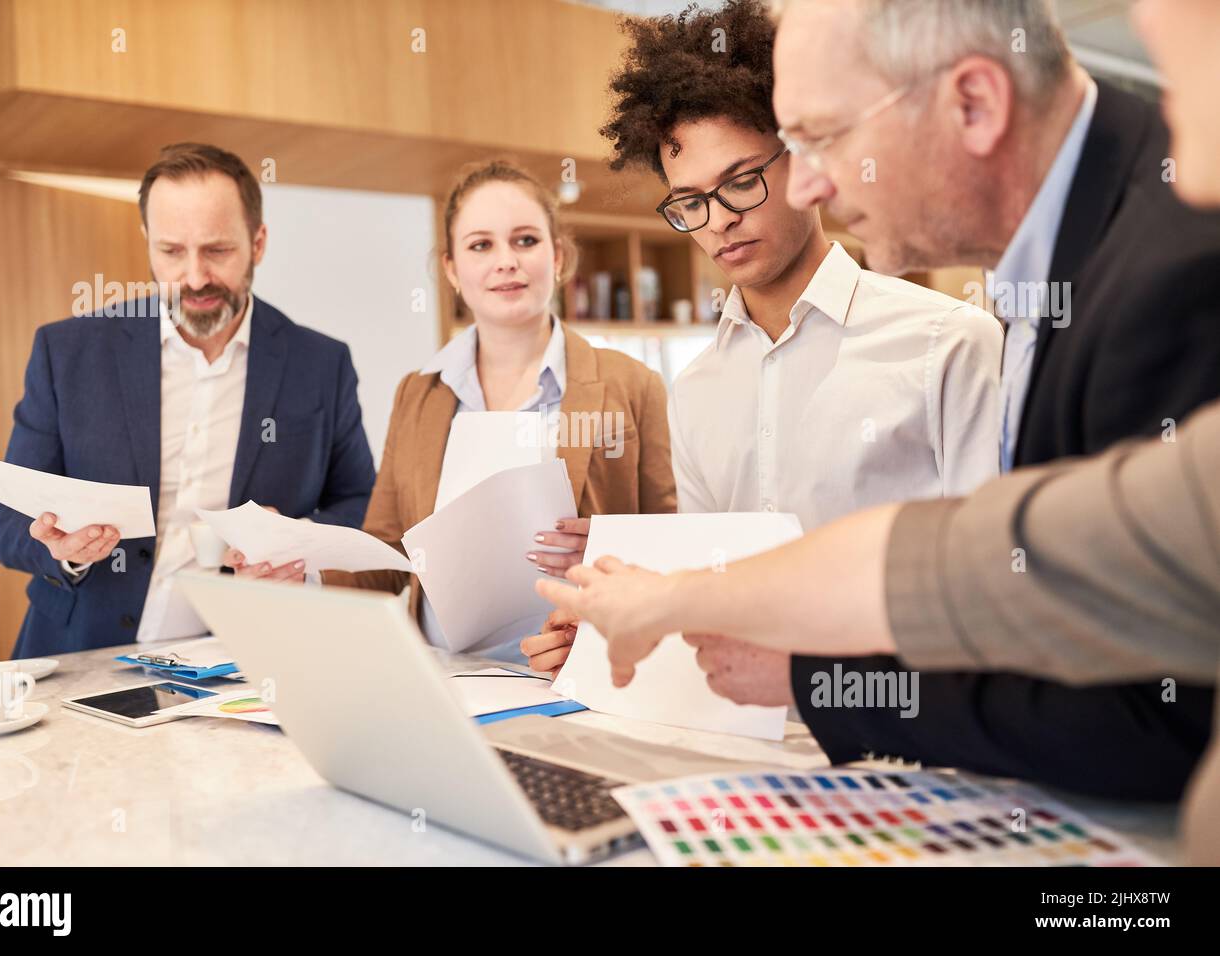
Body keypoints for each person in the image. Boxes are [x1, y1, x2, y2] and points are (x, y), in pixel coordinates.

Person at [537, 0, 1220, 863]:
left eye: (820, 140)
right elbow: (970, 558)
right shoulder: (1045, 274)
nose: (813, 185)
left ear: (973, 105)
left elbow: (1135, 702)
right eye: (690, 203)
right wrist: (650, 612)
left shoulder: (1168, 262)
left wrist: (815, 677)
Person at [522, 0, 1001, 676]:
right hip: (740, 736)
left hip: (910, 738)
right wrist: (606, 642)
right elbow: (706, 600)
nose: (718, 222)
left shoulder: (949, 344)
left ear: (801, 160)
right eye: (690, 203)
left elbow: (989, 590)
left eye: (740, 182)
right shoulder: (696, 390)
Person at [0, 143, 377, 658]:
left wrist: (299, 544)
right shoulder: (68, 352)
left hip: (246, 665)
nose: (194, 278)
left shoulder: (321, 364)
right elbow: (4, 523)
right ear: (147, 241)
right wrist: (60, 550)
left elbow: (362, 503)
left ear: (257, 242)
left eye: (217, 251)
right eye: (171, 252)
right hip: (80, 655)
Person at [322, 159, 675, 660]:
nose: (505, 261)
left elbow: (672, 540)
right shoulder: (418, 394)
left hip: (576, 676)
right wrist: (306, 572)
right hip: (446, 679)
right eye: (481, 245)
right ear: (451, 268)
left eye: (526, 240)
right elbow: (387, 555)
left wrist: (606, 546)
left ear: (558, 256)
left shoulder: (632, 384)